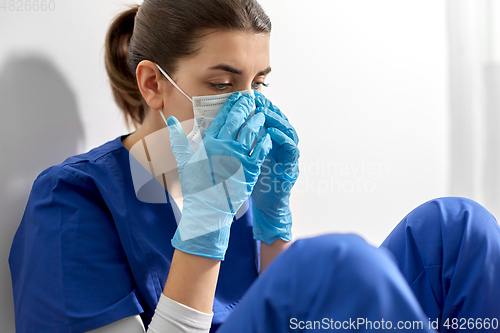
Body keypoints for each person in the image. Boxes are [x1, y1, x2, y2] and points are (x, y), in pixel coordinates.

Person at [8, 0, 500, 332]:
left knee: (457, 228)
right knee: (337, 264)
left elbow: (284, 313)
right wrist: (205, 225)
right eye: (222, 85)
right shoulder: (70, 203)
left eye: (258, 83)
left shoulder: (235, 172)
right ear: (154, 85)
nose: (248, 108)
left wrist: (274, 222)